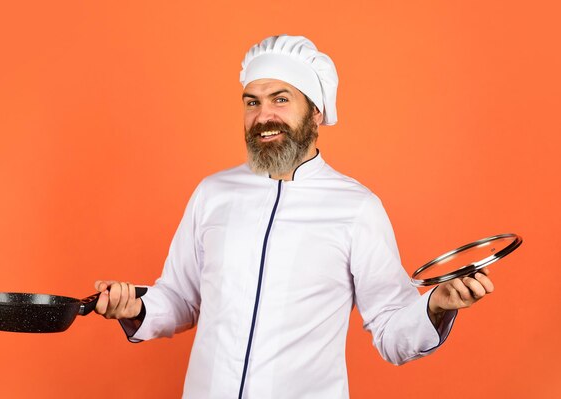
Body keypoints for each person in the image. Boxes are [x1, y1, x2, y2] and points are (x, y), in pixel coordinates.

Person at [94, 35, 495, 399]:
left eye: (280, 99)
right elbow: (181, 298)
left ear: (316, 112)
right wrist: (135, 308)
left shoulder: (356, 208)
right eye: (252, 102)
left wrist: (438, 305)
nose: (263, 115)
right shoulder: (212, 193)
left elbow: (392, 327)